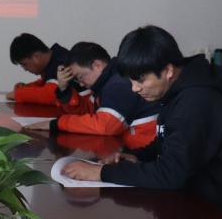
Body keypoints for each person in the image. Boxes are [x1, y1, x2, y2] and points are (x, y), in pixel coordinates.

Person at [60, 26, 222, 215]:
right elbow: (166, 141)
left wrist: (100, 173)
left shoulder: (194, 101)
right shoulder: (178, 89)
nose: (135, 89)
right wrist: (135, 155)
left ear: (168, 70)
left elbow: (171, 174)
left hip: (218, 209)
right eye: (131, 81)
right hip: (195, 194)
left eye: (140, 80)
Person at [23, 41, 157, 149]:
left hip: (145, 153)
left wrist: (57, 124)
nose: (81, 84)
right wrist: (64, 89)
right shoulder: (105, 83)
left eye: (81, 77)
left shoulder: (118, 82)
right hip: (131, 149)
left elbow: (105, 126)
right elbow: (87, 111)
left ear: (97, 65)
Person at [7, 33, 73, 106]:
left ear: (36, 56)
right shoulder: (55, 57)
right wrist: (25, 87)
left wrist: (17, 94)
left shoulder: (60, 63)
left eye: (24, 64)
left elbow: (51, 95)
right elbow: (46, 84)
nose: (25, 69)